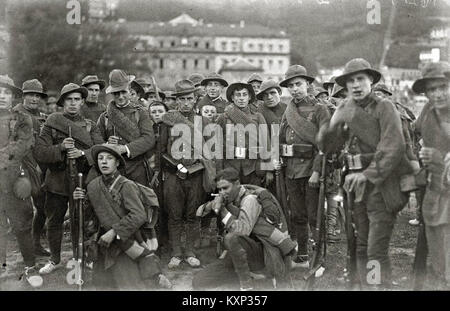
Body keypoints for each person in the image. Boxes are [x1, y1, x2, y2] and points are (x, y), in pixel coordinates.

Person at [318, 58, 413, 289]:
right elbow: (326, 147)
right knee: (360, 244)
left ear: (371, 80)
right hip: (355, 187)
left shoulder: (385, 108)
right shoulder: (345, 109)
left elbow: (393, 146)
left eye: (361, 79)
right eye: (351, 81)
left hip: (382, 184)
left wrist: (366, 175)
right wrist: (333, 124)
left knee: (375, 249)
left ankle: (377, 287)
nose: (356, 85)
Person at [73, 143, 172, 289]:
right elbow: (89, 217)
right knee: (101, 284)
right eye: (100, 158)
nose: (104, 162)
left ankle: (156, 277)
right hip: (102, 243)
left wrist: (114, 232)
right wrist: (79, 201)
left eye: (109, 158)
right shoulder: (93, 186)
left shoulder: (126, 185)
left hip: (125, 242)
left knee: (129, 285)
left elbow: (139, 215)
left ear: (117, 162)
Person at [35, 83, 104, 275]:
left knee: (82, 221)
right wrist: (61, 148)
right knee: (54, 221)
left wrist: (81, 152)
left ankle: (82, 257)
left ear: (82, 102)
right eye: (69, 99)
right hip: (56, 181)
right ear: (62, 102)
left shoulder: (90, 125)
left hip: (81, 180)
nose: (73, 103)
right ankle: (55, 260)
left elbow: (100, 150)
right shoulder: (52, 122)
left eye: (77, 99)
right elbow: (40, 152)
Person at [192, 167, 297, 291]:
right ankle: (255, 277)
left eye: (225, 188)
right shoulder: (229, 200)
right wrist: (212, 204)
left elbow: (242, 231)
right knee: (199, 281)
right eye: (219, 189)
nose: (222, 192)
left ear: (237, 184)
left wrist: (223, 210)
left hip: (261, 253)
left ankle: (247, 285)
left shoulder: (250, 200)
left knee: (231, 238)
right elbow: (199, 213)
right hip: (239, 253)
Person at [159, 79, 216, 268]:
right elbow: (161, 150)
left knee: (193, 214)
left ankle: (191, 252)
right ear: (176, 101)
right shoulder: (167, 121)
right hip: (174, 175)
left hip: (197, 175)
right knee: (174, 215)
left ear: (195, 100)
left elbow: (209, 151)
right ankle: (176, 253)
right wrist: (176, 167)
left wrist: (198, 166)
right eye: (181, 99)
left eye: (189, 99)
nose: (185, 103)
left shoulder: (203, 122)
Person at [279, 65, 330, 268]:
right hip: (291, 171)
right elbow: (282, 139)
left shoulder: (320, 109)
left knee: (314, 215)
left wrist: (317, 171)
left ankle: (319, 257)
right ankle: (303, 254)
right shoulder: (288, 111)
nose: (294, 89)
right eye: (290, 86)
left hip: (311, 171)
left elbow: (324, 144)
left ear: (308, 84)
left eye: (298, 84)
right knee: (297, 215)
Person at [0, 75, 43, 287]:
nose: (2, 96)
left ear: (13, 96)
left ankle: (29, 265)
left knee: (22, 224)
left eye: (6, 92)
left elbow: (23, 145)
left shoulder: (22, 118)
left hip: (15, 180)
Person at [412, 61, 450, 289]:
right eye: (431, 90)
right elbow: (417, 131)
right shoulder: (428, 110)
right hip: (434, 191)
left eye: (442, 87)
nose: (437, 94)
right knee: (437, 257)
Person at [97, 69, 156, 186]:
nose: (120, 97)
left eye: (123, 92)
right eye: (116, 93)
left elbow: (149, 139)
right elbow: (97, 142)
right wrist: (107, 144)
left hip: (137, 169)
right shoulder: (105, 117)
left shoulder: (141, 113)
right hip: (114, 170)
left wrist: (124, 148)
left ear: (129, 90)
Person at [13, 79, 51, 257]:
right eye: (31, 95)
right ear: (23, 96)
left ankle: (35, 243)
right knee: (25, 211)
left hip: (39, 169)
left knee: (42, 207)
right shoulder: (17, 114)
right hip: (22, 168)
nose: (35, 98)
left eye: (37, 95)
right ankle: (26, 251)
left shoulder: (40, 115)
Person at [216, 82, 273, 188]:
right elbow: (217, 146)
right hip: (230, 167)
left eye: (244, 95)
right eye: (238, 95)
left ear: (249, 97)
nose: (241, 98)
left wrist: (269, 170)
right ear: (232, 98)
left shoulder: (258, 117)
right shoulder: (223, 118)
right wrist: (219, 171)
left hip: (253, 168)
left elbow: (267, 144)